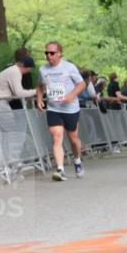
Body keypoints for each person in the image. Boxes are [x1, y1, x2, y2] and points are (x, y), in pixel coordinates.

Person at [36, 41, 86, 181]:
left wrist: (71, 95)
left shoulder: (69, 67)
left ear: (59, 54)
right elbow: (40, 86)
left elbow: (81, 83)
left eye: (52, 53)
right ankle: (60, 169)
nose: (48, 55)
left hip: (70, 109)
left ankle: (77, 161)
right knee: (57, 136)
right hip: (54, 108)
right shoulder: (43, 69)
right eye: (46, 53)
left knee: (74, 139)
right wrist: (39, 99)